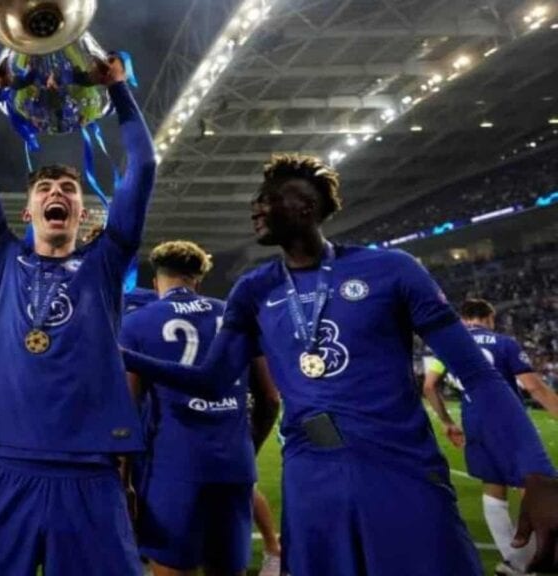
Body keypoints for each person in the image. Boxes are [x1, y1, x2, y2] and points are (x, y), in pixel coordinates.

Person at [121, 154, 558, 575]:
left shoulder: (392, 270)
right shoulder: (254, 290)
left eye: (269, 197)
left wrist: (538, 471)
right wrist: (119, 356)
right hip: (311, 481)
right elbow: (213, 380)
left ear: (305, 207)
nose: (256, 205)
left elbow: (477, 373)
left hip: (401, 472)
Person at [0, 55, 155, 576]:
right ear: (27, 212)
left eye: (68, 191)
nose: (56, 194)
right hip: (2, 464)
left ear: (84, 213)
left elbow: (143, 168)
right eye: (44, 190)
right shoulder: (0, 254)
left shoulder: (106, 261)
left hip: (88, 471)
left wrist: (120, 91)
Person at [120, 240, 276, 576]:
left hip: (174, 466)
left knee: (171, 567)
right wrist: (249, 444)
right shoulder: (237, 316)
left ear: (156, 281)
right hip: (234, 464)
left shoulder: (136, 323)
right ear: (198, 279)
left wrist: (125, 480)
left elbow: (127, 410)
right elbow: (271, 398)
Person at [423, 298, 558, 575]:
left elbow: (429, 385)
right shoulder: (503, 342)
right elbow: (534, 387)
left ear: (463, 319)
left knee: (493, 486)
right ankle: (530, 559)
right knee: (536, 485)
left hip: (474, 420)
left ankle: (514, 561)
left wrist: (448, 421)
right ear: (489, 318)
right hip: (507, 418)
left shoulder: (449, 345)